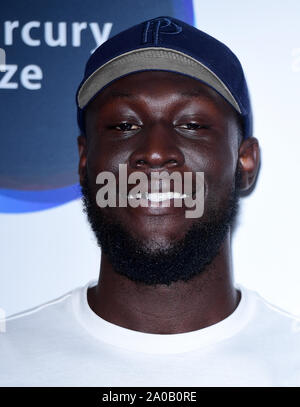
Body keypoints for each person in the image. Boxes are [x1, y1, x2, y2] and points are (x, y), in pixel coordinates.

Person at [1, 16, 299, 387]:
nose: (155, 153)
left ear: (245, 162)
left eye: (192, 124)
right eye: (124, 125)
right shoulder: (8, 361)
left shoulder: (292, 363)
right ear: (84, 160)